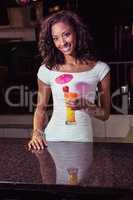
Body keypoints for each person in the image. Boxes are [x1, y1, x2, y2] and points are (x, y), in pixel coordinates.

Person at [28, 10, 110, 184]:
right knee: (53, 188)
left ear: (77, 33)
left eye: (66, 35)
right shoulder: (47, 69)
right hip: (53, 139)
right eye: (56, 38)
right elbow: (40, 109)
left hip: (82, 140)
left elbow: (105, 114)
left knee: (79, 186)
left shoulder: (100, 69)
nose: (62, 42)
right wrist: (36, 132)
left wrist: (86, 105)